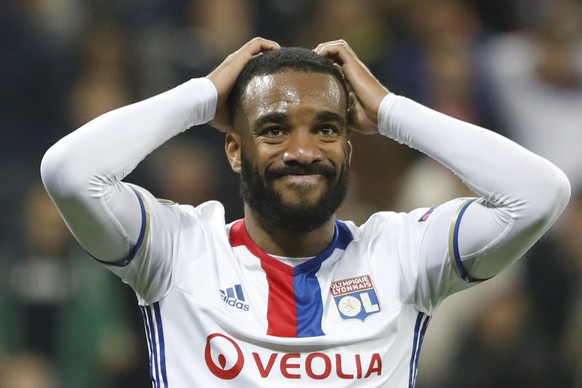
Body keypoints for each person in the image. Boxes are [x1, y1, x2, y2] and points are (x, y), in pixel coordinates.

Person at [40, 37, 570, 387]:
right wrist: (202, 97)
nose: (302, 150)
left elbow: (540, 193)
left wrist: (391, 111)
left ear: (349, 145)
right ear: (234, 149)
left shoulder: (402, 254)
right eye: (273, 129)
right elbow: (69, 171)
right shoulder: (177, 250)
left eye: (326, 128)